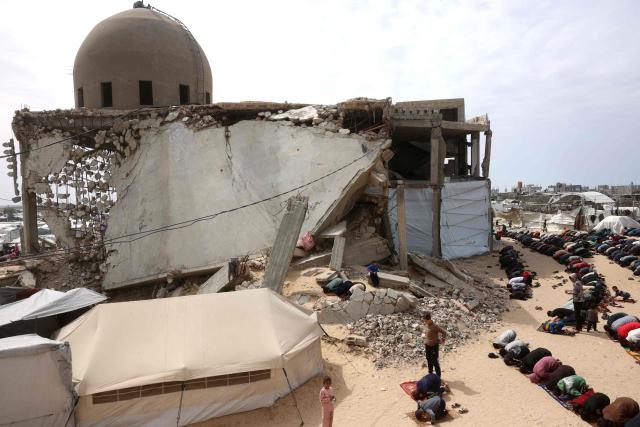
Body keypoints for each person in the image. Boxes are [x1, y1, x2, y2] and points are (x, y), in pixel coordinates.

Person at [422, 312, 446, 378]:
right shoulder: (427, 325)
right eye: (424, 320)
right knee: (429, 359)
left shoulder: (435, 326)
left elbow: (444, 332)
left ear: (429, 320)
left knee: (435, 361)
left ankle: (438, 376)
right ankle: (430, 374)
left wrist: (442, 340)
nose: (425, 322)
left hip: (434, 346)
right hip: (427, 345)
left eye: (425, 320)